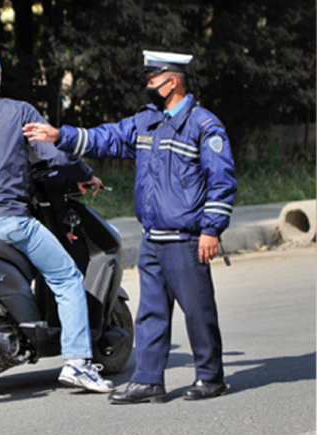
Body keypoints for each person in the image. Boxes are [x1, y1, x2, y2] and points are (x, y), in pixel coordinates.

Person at [23, 50, 237, 403]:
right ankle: (149, 380)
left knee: (198, 313)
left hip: (186, 238)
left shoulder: (204, 126)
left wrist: (212, 230)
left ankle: (211, 377)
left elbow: (222, 182)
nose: (149, 86)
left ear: (174, 81)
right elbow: (106, 138)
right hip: (153, 237)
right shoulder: (147, 122)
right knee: (150, 313)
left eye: (154, 80)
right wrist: (60, 135)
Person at [0, 49, 114, 393]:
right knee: (66, 278)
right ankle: (78, 363)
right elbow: (55, 153)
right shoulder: (20, 110)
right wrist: (85, 175)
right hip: (9, 222)